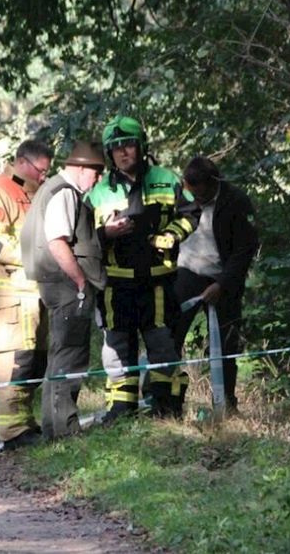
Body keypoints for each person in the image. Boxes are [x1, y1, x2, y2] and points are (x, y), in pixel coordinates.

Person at [85, 116, 199, 420]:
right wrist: (105, 234)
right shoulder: (97, 193)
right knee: (118, 346)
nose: (123, 153)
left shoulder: (167, 179)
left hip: (158, 283)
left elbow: (191, 213)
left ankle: (165, 407)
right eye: (116, 148)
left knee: (162, 344)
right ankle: (122, 409)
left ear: (141, 146)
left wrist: (172, 234)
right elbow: (81, 238)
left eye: (129, 146)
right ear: (109, 154)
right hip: (116, 285)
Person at [21, 141, 110, 440]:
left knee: (61, 356)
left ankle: (54, 427)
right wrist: (80, 280)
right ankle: (64, 429)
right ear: (82, 168)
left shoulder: (54, 189)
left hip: (58, 285)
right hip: (67, 287)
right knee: (70, 356)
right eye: (96, 173)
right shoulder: (64, 192)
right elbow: (57, 241)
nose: (98, 180)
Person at [0, 140, 54, 450]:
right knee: (15, 364)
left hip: (36, 294)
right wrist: (34, 258)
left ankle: (25, 423)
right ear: (23, 162)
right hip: (10, 297)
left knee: (35, 363)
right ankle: (11, 432)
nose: (45, 177)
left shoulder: (35, 193)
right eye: (41, 170)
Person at [172, 156, 259, 415]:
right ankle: (167, 401)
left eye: (201, 195)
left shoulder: (236, 202)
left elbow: (245, 249)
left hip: (224, 278)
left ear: (213, 184)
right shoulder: (179, 196)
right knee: (169, 336)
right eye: (192, 194)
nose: (196, 201)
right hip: (185, 274)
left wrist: (222, 284)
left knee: (226, 343)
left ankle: (226, 405)